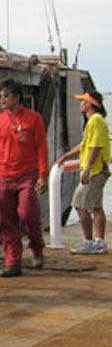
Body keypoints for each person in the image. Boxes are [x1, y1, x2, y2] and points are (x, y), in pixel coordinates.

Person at [0, 78, 48, 277]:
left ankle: (37, 249)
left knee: (29, 212)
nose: (2, 99)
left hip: (27, 175)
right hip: (4, 175)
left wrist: (43, 175)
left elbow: (41, 149)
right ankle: (13, 261)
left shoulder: (34, 118)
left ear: (17, 97)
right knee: (5, 220)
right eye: (0, 96)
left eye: (6, 95)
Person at [57, 90, 109, 254]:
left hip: (93, 171)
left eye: (83, 101)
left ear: (90, 104)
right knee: (95, 206)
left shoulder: (95, 121)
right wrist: (66, 156)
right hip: (96, 170)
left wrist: (86, 169)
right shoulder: (93, 121)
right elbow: (85, 145)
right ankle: (99, 241)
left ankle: (89, 241)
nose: (81, 104)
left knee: (79, 204)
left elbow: (96, 147)